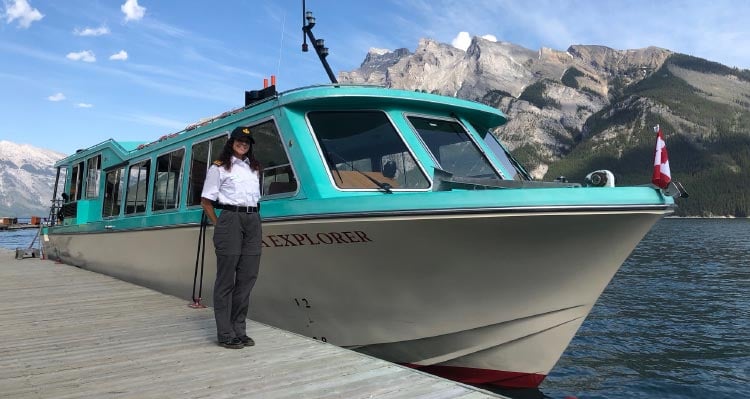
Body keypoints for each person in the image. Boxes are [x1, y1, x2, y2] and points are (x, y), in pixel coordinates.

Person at [200, 126, 262, 349]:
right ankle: (225, 333)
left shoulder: (254, 168)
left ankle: (239, 330)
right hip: (230, 219)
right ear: (231, 142)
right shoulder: (219, 168)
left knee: (247, 278)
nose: (243, 144)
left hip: (253, 219)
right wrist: (219, 225)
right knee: (226, 280)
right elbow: (206, 201)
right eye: (239, 141)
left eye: (247, 142)